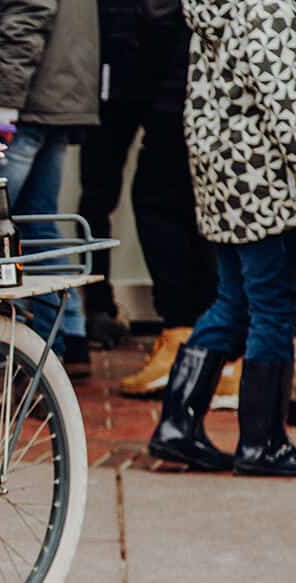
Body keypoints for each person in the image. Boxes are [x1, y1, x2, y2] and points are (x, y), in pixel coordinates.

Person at [147, 0, 296, 476]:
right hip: (264, 179)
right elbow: (284, 101)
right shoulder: (266, 5)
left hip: (225, 177)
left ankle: (177, 424)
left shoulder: (214, 9)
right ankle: (263, 442)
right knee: (274, 307)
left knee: (234, 302)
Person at [77, 0, 235, 407]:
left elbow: (157, 15)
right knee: (187, 209)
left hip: (177, 92)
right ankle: (207, 346)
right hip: (192, 92)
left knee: (160, 204)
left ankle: (188, 341)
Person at [0, 0, 99, 376]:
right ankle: (67, 338)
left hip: (15, 103)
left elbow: (28, 11)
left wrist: (2, 101)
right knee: (39, 229)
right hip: (49, 96)